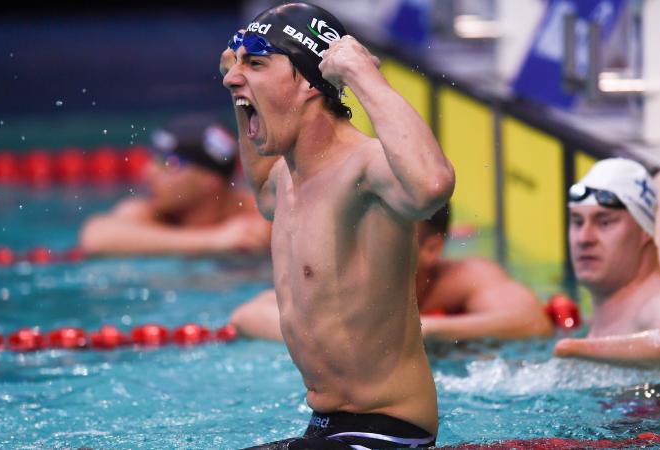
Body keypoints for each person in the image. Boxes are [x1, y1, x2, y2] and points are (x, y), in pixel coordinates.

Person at [222, 3, 455, 448]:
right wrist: (243, 92)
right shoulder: (286, 178)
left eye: (256, 63)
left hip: (387, 430)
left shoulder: (364, 169)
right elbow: (261, 189)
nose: (231, 77)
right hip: (326, 426)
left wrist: (363, 75)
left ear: (311, 83)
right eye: (236, 64)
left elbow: (432, 186)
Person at [230, 204, 554, 342]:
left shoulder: (463, 278)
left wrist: (425, 331)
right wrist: (342, 337)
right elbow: (250, 315)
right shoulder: (349, 282)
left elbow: (531, 321)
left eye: (389, 232)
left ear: (431, 249)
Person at [554, 158, 660, 371]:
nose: (584, 238)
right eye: (577, 221)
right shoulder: (642, 283)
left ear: (645, 232)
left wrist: (576, 349)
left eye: (605, 222)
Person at [79, 118, 271, 256]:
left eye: (168, 164)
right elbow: (95, 237)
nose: (148, 173)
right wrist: (213, 240)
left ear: (210, 179)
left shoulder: (260, 215)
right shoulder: (154, 213)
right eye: (152, 159)